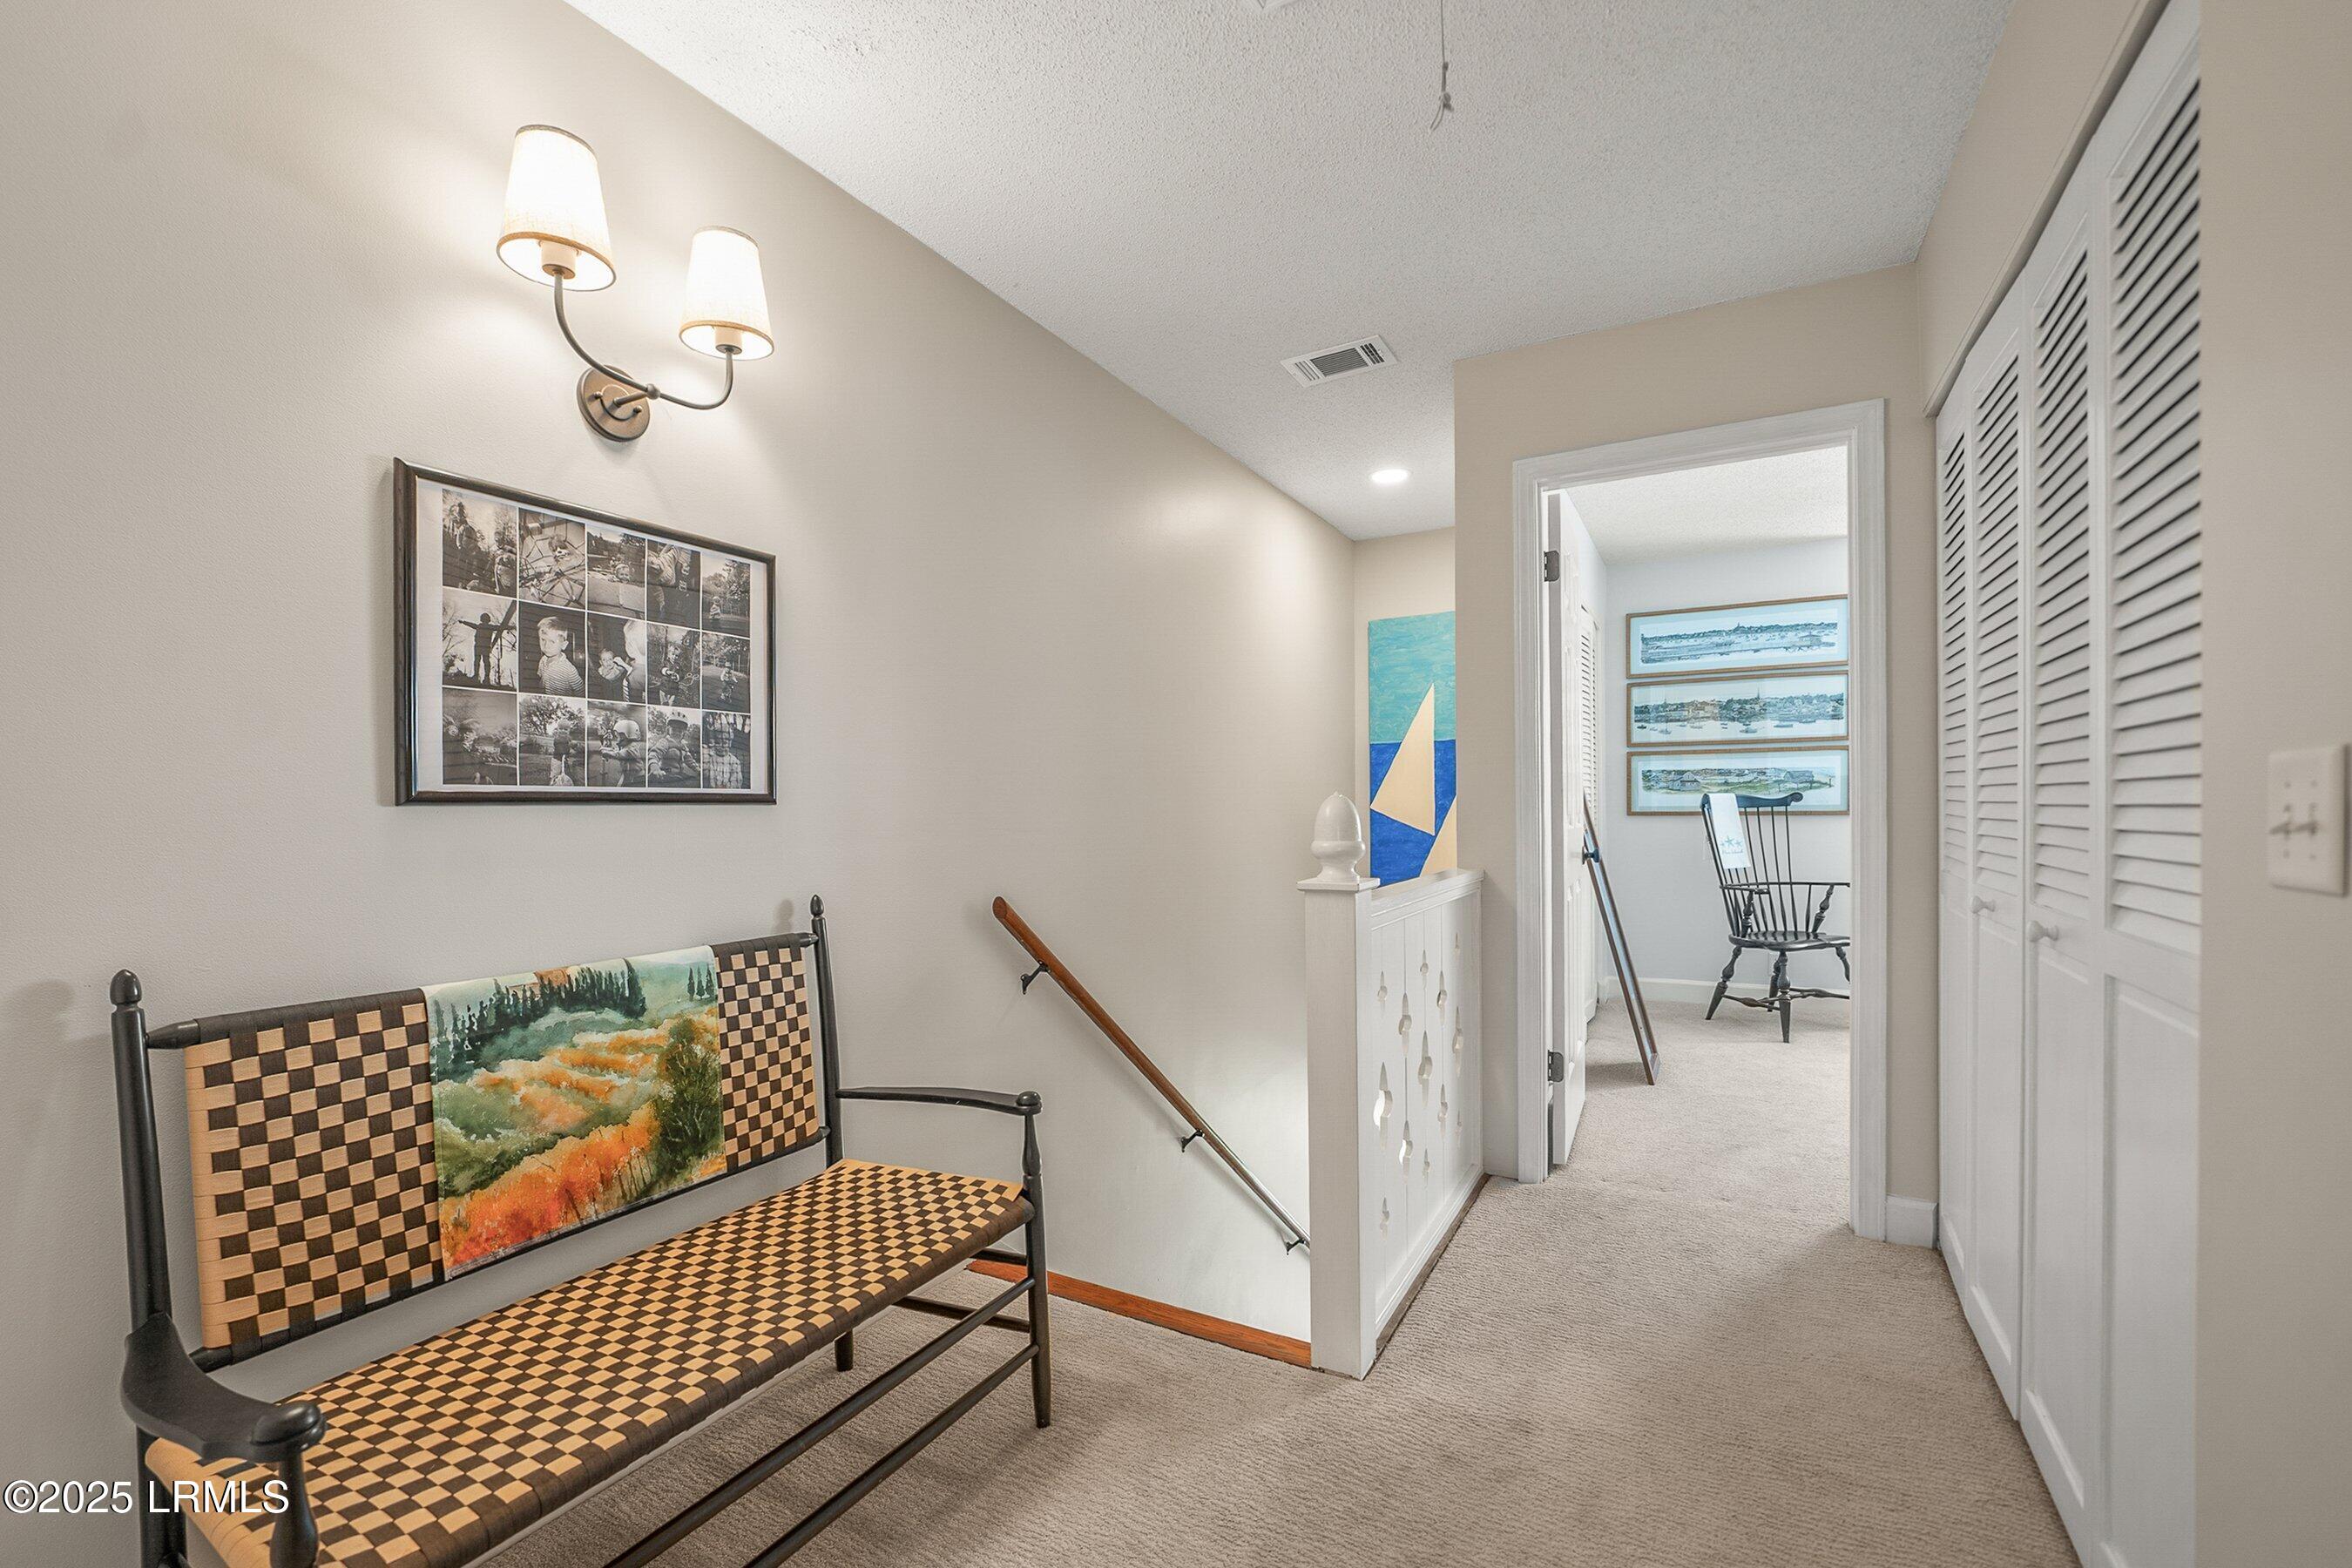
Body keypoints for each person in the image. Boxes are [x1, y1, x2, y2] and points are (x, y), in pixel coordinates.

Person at [534, 617, 584, 695]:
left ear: (564, 645)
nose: (546, 645)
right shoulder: (543, 660)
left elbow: (580, 690)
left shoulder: (568, 669)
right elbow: (541, 681)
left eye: (552, 641)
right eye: (543, 640)